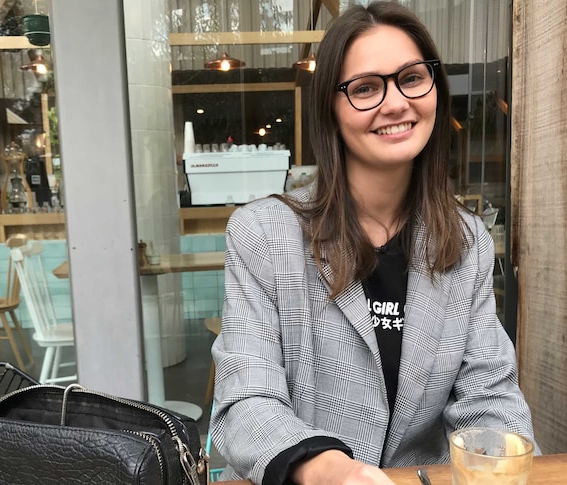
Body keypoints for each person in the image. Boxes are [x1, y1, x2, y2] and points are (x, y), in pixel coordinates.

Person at [210, 2, 537, 484]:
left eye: (410, 78)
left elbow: (489, 397)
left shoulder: (466, 242)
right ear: (330, 111)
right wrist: (331, 471)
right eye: (365, 88)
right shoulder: (262, 234)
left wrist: (497, 458)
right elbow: (246, 400)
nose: (396, 102)